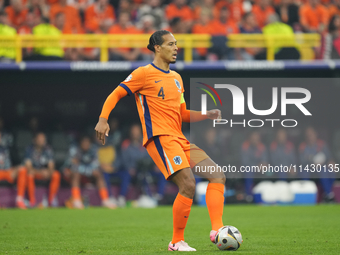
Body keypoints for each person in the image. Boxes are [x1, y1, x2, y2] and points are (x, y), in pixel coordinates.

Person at [95, 30, 225, 251]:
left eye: (176, 44)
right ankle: (176, 241)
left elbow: (182, 113)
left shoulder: (177, 78)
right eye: (171, 44)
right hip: (160, 138)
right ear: (157, 47)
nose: (176, 48)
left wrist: (206, 114)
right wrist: (102, 119)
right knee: (188, 184)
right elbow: (115, 94)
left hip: (179, 138)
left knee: (217, 175)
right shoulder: (142, 74)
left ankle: (217, 231)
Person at [64, 135, 115, 209]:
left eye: (87, 142)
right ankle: (76, 200)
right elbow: (72, 165)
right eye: (84, 142)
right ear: (80, 143)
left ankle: (105, 200)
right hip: (71, 175)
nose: (86, 144)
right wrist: (87, 170)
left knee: (98, 174)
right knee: (76, 173)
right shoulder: (74, 150)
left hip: (86, 175)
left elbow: (95, 164)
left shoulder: (93, 150)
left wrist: (86, 170)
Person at [24, 132, 60, 207]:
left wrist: (48, 172)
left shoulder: (48, 149)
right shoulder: (29, 149)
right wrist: (40, 172)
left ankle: (51, 200)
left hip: (45, 173)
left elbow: (51, 165)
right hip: (35, 172)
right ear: (34, 140)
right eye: (39, 139)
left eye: (43, 139)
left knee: (56, 174)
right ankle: (32, 201)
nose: (41, 141)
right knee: (29, 175)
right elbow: (29, 167)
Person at [0, 131, 27, 209]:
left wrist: (15, 169)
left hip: (8, 171)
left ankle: (19, 200)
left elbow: (17, 162)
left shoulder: (7, 148)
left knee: (22, 169)